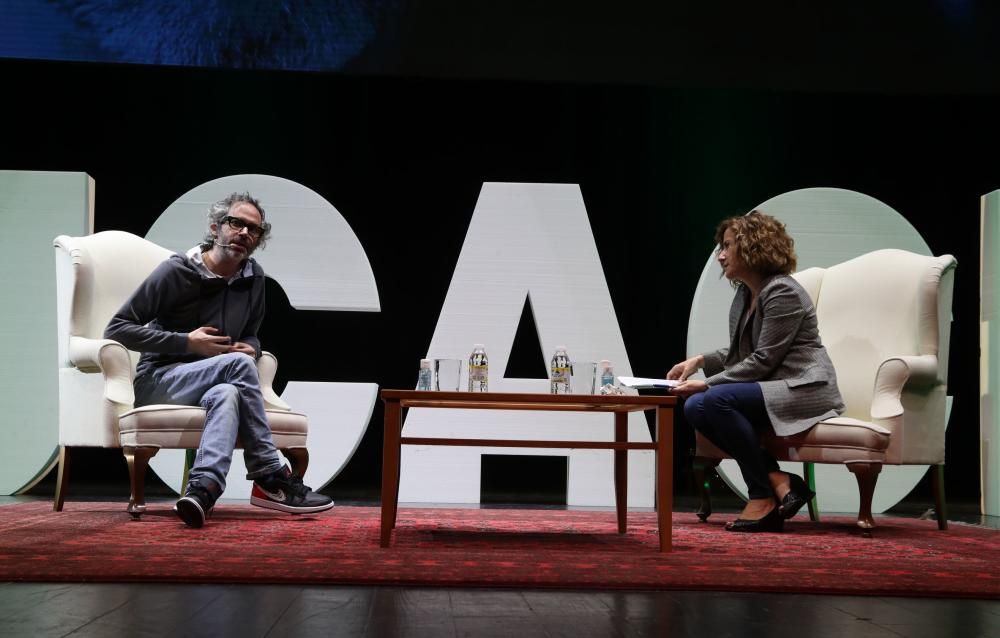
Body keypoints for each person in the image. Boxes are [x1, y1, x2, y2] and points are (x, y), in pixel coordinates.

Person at [105, 192, 334, 528]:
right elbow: (118, 328)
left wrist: (251, 348)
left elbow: (252, 334)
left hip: (215, 380)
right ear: (215, 227)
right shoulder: (177, 271)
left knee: (229, 391)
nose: (244, 232)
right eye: (236, 223)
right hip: (160, 380)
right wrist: (186, 343)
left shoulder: (254, 278)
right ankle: (269, 474)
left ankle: (203, 490)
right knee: (238, 368)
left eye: (253, 229)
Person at [667, 211, 844, 533]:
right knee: (694, 406)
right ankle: (779, 480)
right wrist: (701, 361)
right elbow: (742, 355)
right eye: (721, 246)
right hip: (772, 385)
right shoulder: (745, 293)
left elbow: (763, 359)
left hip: (803, 387)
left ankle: (761, 494)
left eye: (728, 246)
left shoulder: (782, 292)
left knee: (714, 399)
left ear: (754, 247)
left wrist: (705, 384)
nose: (721, 255)